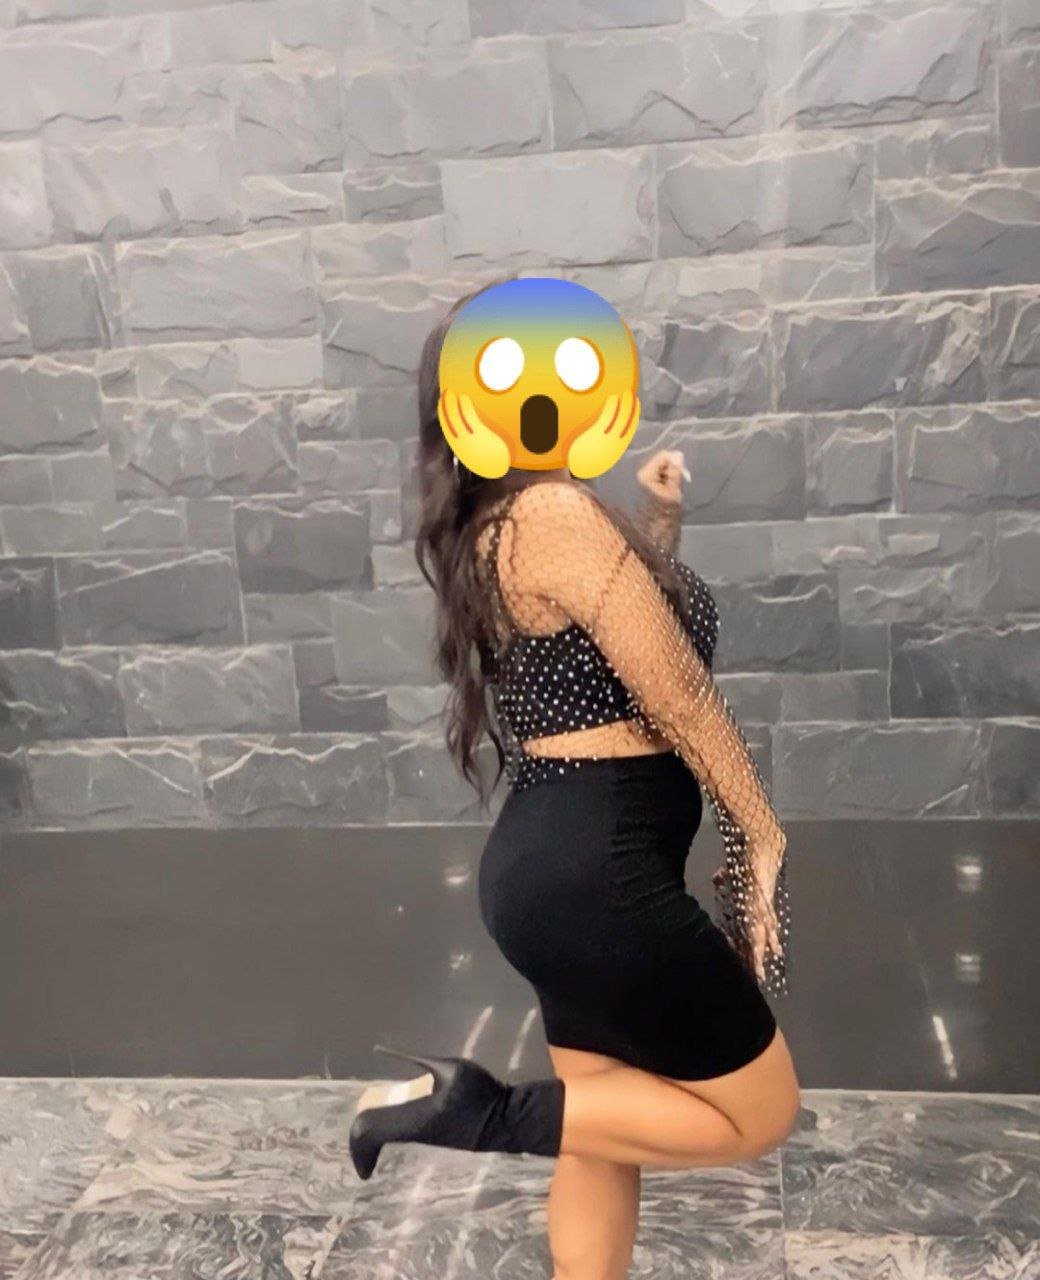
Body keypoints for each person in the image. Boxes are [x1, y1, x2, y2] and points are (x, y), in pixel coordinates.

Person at [349, 281, 801, 1280]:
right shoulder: (552, 512)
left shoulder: (505, 521)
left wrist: (657, 520)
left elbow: (608, 651)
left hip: (557, 866)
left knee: (601, 1129)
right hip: (599, 872)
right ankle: (476, 1111)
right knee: (761, 1111)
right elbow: (673, 690)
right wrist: (758, 832)